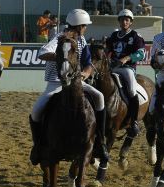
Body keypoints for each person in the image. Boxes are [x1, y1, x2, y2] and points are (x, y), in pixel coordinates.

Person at [28, 9, 108, 166]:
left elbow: (88, 63)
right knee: (36, 111)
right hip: (56, 83)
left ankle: (100, 141)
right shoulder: (60, 37)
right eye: (84, 26)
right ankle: (38, 146)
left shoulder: (82, 40)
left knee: (99, 97)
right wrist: (61, 57)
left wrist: (86, 73)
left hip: (76, 82)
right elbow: (42, 52)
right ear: (78, 26)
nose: (85, 28)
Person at [105, 9, 146, 138]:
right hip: (112, 67)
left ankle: (133, 122)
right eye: (122, 20)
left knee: (132, 91)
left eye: (127, 20)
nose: (124, 22)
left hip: (128, 68)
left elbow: (141, 54)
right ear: (119, 21)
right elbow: (107, 50)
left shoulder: (135, 36)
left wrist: (126, 58)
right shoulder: (114, 35)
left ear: (131, 22)